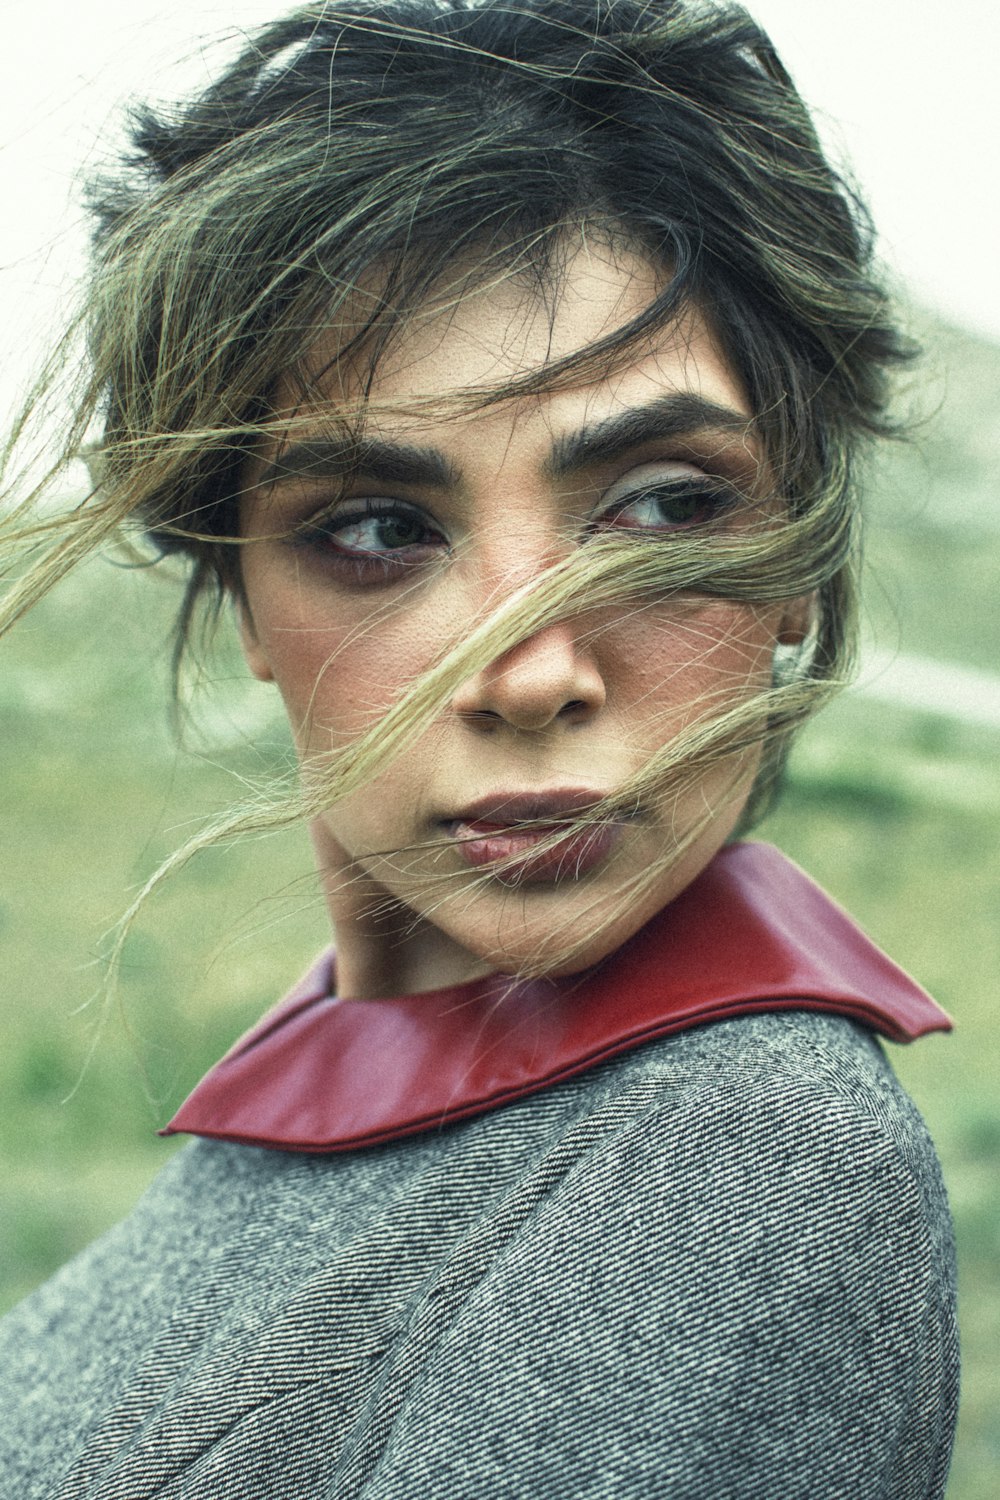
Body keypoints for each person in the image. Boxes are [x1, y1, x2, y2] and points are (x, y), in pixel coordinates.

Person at [0, 1, 959, 1494]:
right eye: (378, 529)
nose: (531, 672)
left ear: (800, 570)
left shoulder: (743, 1166)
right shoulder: (290, 1109)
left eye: (663, 503)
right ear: (242, 593)